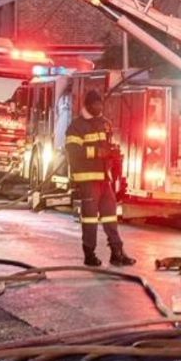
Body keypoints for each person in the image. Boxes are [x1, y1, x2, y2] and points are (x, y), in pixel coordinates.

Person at [65, 90, 135, 267]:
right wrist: (97, 152)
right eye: (96, 104)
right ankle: (89, 254)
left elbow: (107, 146)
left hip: (105, 179)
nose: (99, 107)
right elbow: (73, 152)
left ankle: (117, 252)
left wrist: (113, 154)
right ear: (88, 105)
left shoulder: (104, 124)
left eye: (101, 104)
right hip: (87, 179)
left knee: (111, 216)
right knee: (89, 218)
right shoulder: (77, 126)